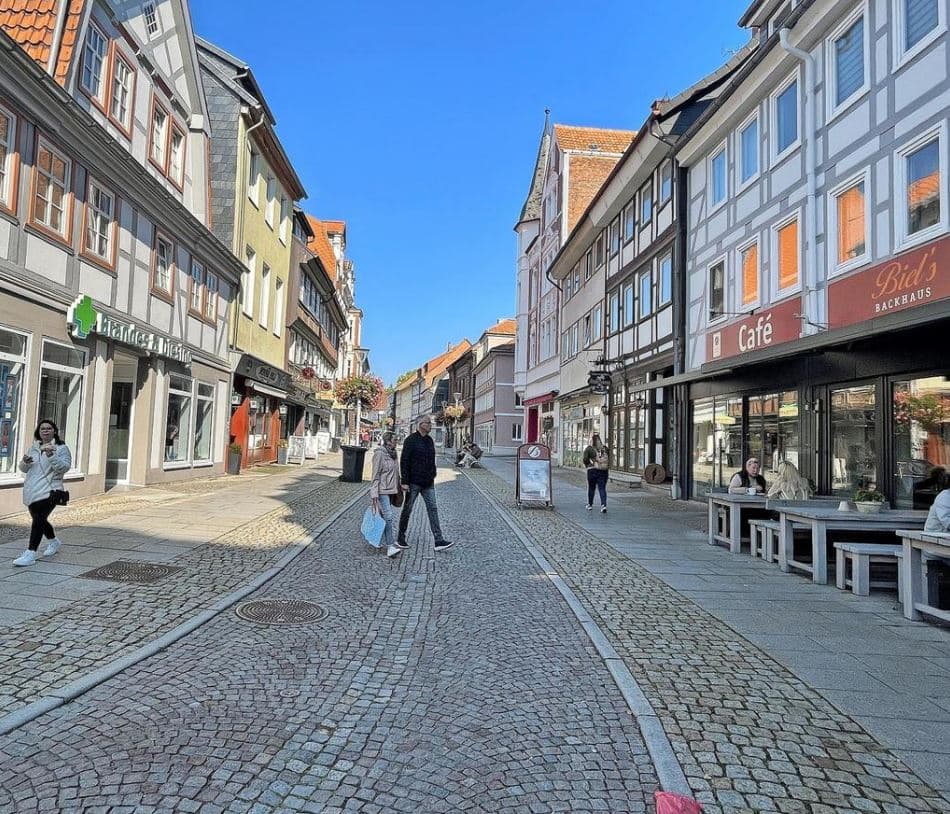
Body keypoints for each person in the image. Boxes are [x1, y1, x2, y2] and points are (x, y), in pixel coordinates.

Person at [14, 419, 72, 567]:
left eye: (48, 428)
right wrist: (24, 462)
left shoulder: (61, 448)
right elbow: (24, 469)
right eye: (42, 429)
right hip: (32, 489)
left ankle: (30, 553)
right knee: (39, 519)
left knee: (38, 518)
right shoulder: (33, 447)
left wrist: (51, 455)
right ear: (38, 432)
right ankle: (53, 541)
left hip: (50, 490)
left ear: (54, 431)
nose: (45, 431)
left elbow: (64, 468)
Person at [397, 417, 453, 551]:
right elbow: (404, 461)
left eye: (430, 423)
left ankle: (438, 540)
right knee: (408, 509)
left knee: (433, 509)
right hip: (413, 482)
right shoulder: (410, 440)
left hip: (428, 482)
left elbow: (431, 459)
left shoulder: (429, 440)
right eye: (428, 423)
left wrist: (433, 474)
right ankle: (400, 537)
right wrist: (404, 481)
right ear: (420, 425)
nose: (431, 426)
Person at [370, 432, 403, 559]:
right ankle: (390, 546)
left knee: (384, 517)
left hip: (391, 490)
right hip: (382, 490)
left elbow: (396, 472)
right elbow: (375, 475)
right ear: (388, 441)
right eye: (395, 439)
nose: (397, 441)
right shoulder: (379, 454)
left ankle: (376, 538)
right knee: (388, 516)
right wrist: (374, 494)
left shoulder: (394, 454)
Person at [582, 432, 609, 513]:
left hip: (592, 471)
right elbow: (609, 457)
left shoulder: (589, 449)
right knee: (602, 488)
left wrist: (589, 465)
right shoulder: (605, 448)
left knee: (591, 488)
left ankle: (590, 505)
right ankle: (603, 505)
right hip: (603, 471)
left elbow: (585, 459)